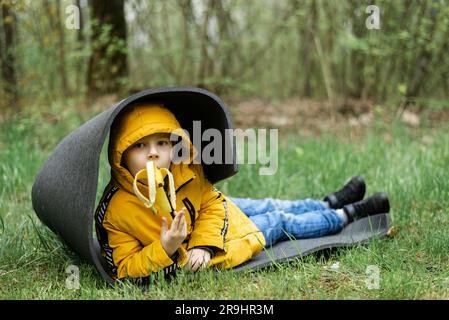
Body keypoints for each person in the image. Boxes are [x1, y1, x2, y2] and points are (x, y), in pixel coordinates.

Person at [95, 103, 390, 280]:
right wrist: (168, 248)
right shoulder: (117, 211)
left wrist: (202, 242)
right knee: (279, 220)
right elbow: (123, 267)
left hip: (207, 228)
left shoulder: (184, 167)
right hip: (221, 244)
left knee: (265, 203)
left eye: (162, 143)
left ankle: (326, 202)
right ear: (120, 153)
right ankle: (345, 214)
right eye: (140, 146)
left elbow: (211, 202)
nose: (153, 154)